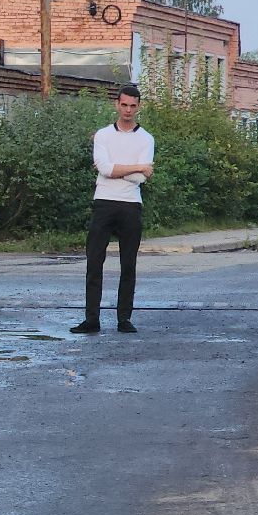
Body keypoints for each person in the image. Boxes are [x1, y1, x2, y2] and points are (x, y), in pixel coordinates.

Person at [74, 84, 154, 335]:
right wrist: (137, 167)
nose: (128, 110)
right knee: (94, 261)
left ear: (138, 107)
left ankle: (124, 318)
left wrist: (126, 171)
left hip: (131, 204)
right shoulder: (103, 135)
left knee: (128, 264)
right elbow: (104, 169)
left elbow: (140, 180)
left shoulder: (146, 138)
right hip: (104, 202)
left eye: (133, 105)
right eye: (124, 105)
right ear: (116, 105)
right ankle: (91, 319)